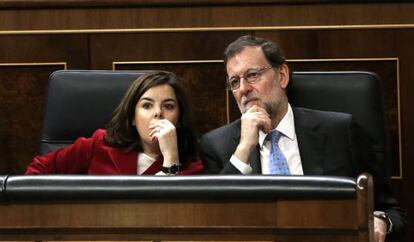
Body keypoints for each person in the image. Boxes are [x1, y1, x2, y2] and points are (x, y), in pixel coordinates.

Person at [200, 35, 407, 242]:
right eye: (235, 82)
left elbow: (391, 212)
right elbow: (212, 223)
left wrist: (381, 221)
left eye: (252, 75)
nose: (243, 88)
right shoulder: (217, 146)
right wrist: (244, 149)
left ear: (282, 75)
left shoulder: (339, 132)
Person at [26, 70, 203, 175]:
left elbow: (174, 213)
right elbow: (38, 170)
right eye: (147, 105)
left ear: (179, 119)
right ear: (133, 117)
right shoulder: (99, 144)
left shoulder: (191, 166)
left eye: (169, 106)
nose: (158, 113)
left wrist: (171, 158)